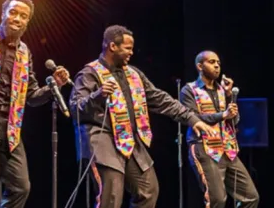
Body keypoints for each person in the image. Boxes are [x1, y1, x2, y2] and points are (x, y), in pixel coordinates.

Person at [69, 25, 215, 208]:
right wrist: (97, 95)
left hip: (130, 141)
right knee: (111, 197)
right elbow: (75, 108)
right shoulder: (90, 73)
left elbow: (160, 99)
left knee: (148, 190)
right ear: (112, 46)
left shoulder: (133, 74)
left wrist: (192, 119)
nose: (132, 53)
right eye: (127, 48)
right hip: (102, 141)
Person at [0, 0, 70, 208]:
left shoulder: (24, 53)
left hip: (10, 126)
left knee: (21, 187)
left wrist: (53, 86)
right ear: (3, 14)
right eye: (13, 12)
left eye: (23, 16)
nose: (17, 19)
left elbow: (32, 97)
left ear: (28, 22)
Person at [180, 51, 259, 208]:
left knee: (250, 197)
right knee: (217, 200)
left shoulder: (223, 90)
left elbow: (233, 121)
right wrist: (223, 115)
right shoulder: (189, 90)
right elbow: (192, 117)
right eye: (211, 62)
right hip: (204, 148)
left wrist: (229, 96)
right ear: (200, 66)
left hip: (227, 149)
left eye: (218, 63)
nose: (217, 66)